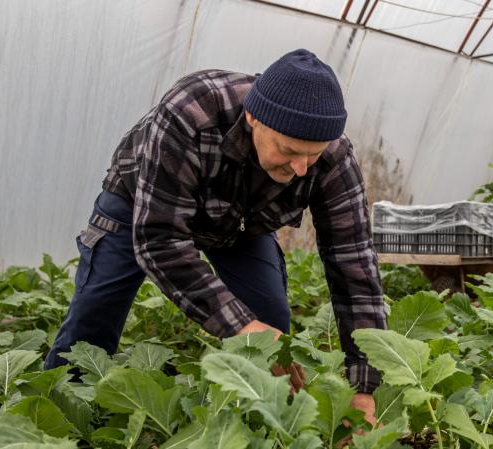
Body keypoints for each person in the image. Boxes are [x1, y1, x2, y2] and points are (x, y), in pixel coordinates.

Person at [44, 49, 385, 422]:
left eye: (313, 155)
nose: (302, 168)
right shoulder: (191, 113)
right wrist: (239, 326)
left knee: (269, 325)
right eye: (288, 151)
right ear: (254, 119)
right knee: (94, 313)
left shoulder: (334, 158)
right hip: (142, 203)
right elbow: (160, 241)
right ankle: (59, 415)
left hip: (243, 223)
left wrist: (365, 387)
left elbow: (354, 266)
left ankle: (260, 421)